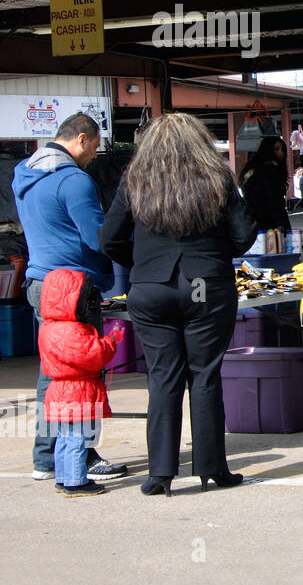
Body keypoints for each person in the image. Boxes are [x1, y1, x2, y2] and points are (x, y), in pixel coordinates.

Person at [99, 113, 259, 496]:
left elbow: (108, 237)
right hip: (204, 283)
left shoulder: (136, 179)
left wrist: (141, 265)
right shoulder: (216, 176)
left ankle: (160, 474)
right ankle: (211, 468)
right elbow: (244, 233)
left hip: (152, 287)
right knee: (204, 375)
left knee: (163, 378)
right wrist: (218, 254)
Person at [12, 112, 127, 483]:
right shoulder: (75, 181)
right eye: (94, 147)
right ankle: (83, 455)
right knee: (82, 373)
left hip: (39, 284)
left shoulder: (24, 175)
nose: (94, 156)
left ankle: (46, 458)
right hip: (73, 289)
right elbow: (97, 236)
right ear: (80, 138)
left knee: (55, 370)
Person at [38, 268, 124, 497]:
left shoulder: (48, 326)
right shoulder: (72, 330)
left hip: (59, 389)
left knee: (65, 438)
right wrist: (111, 341)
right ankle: (76, 482)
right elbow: (92, 355)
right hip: (78, 391)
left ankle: (63, 478)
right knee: (78, 438)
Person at [238, 136, 291, 232]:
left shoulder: (251, 169)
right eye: (276, 149)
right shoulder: (271, 170)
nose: (281, 153)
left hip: (251, 221)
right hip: (270, 222)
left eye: (282, 149)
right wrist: (281, 224)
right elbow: (274, 199)